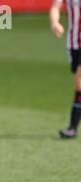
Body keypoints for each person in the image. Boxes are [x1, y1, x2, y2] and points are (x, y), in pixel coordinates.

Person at [50, 0, 81, 138]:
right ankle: (72, 128)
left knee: (79, 82)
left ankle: (72, 127)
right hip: (73, 43)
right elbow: (55, 7)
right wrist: (54, 23)